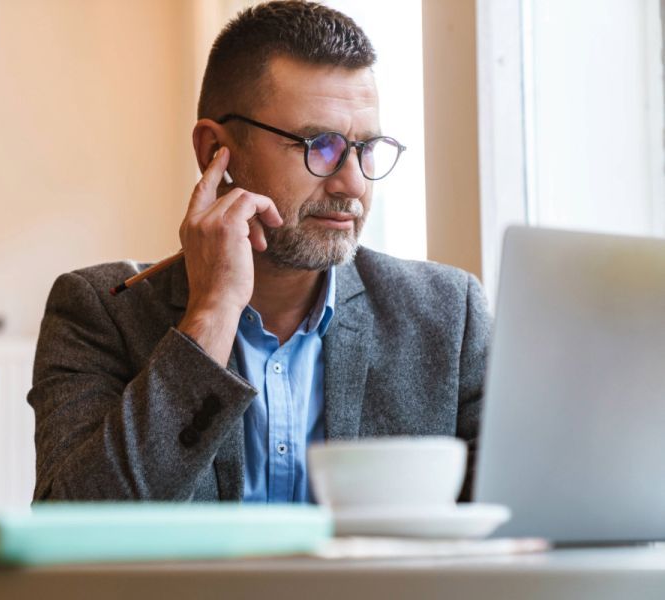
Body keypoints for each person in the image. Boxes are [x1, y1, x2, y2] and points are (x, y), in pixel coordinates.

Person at [29, 1, 491, 503]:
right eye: (321, 145)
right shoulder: (98, 313)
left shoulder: (449, 315)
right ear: (215, 153)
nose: (353, 184)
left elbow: (512, 527)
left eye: (367, 147)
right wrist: (210, 316)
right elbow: (75, 532)